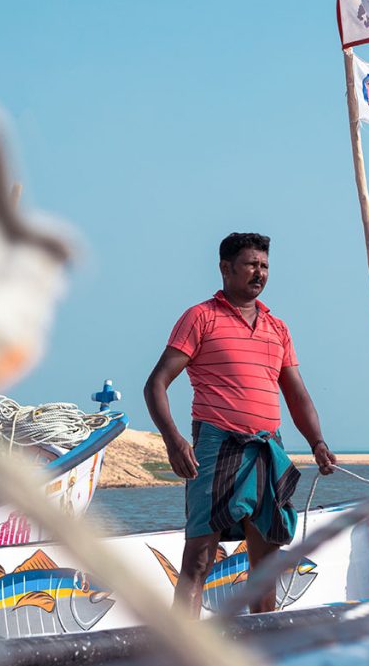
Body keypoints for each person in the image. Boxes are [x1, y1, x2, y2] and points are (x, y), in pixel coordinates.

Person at [144, 232, 337, 617]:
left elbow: (296, 393)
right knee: (199, 559)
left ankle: (266, 653)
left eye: (264, 266)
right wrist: (174, 441)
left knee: (265, 565)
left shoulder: (277, 328)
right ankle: (184, 654)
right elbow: (156, 384)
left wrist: (317, 442)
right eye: (251, 264)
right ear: (225, 268)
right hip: (216, 446)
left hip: (268, 448)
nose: (259, 273)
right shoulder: (200, 318)